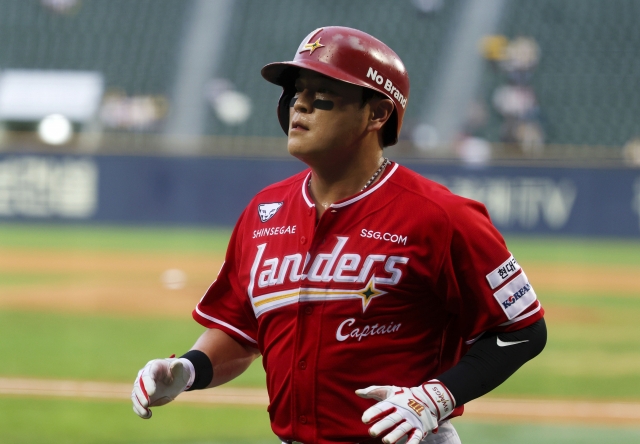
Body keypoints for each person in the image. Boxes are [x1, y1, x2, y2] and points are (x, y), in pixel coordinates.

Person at [131, 26, 546, 444]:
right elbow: (240, 330)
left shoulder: (443, 216)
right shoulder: (263, 212)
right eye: (298, 93)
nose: (301, 106)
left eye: (323, 94)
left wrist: (436, 397)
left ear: (377, 114)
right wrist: (187, 370)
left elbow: (524, 329)